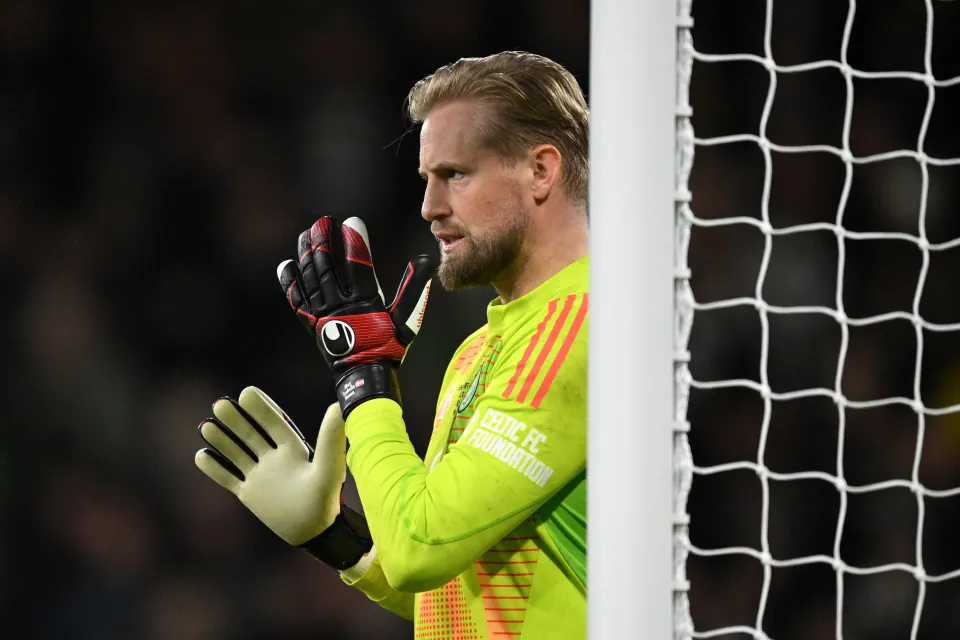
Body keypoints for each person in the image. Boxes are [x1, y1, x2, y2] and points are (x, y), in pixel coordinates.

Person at [193, 50, 590, 639]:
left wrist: (364, 374)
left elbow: (419, 549)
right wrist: (336, 538)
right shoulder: (481, 348)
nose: (430, 208)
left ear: (540, 170)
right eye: (426, 180)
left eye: (455, 174)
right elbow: (449, 585)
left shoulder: (581, 330)